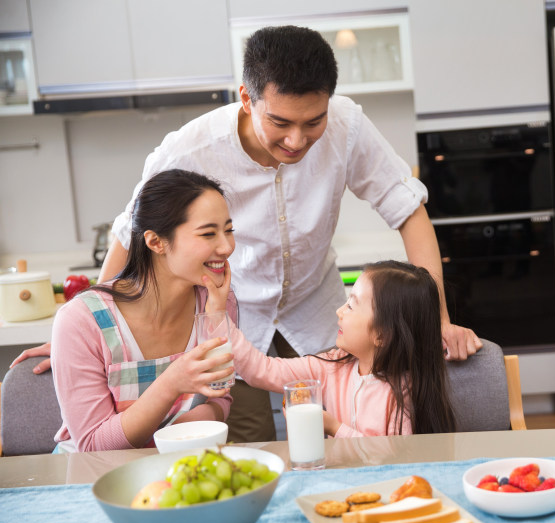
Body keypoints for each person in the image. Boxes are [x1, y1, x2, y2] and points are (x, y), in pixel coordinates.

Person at [12, 25, 480, 443]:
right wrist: (86, 328)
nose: (297, 140)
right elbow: (131, 232)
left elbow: (408, 211)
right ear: (246, 97)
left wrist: (438, 317)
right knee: (250, 439)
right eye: (280, 122)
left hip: (321, 314)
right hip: (233, 317)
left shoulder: (348, 125)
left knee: (340, 435)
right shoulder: (193, 147)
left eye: (312, 122)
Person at [48, 169, 238, 452]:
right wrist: (171, 382)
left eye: (229, 230)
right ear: (155, 242)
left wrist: (199, 420)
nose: (227, 247)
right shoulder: (80, 320)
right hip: (91, 476)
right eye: (209, 233)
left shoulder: (217, 300)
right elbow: (93, 446)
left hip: (177, 466)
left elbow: (220, 394)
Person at [206, 260, 457, 437]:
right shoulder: (331, 366)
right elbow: (262, 370)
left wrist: (333, 427)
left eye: (351, 305)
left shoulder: (403, 392)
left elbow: (388, 457)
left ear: (382, 334)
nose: (339, 311)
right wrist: (218, 317)